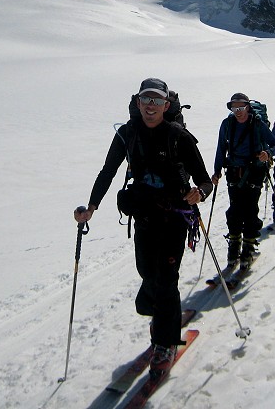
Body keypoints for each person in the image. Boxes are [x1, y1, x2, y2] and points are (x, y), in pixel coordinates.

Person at [74, 77, 213, 374]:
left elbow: (204, 177)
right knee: (147, 272)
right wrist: (92, 206)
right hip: (144, 216)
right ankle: (161, 313)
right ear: (138, 103)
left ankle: (164, 342)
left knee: (166, 278)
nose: (151, 106)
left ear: (166, 104)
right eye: (146, 100)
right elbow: (108, 171)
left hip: (175, 217)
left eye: (157, 100)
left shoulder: (178, 135)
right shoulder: (127, 134)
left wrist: (199, 192)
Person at [212, 93, 275, 266]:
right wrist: (216, 171)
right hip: (234, 171)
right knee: (235, 209)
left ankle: (248, 248)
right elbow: (221, 148)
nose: (238, 111)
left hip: (255, 170)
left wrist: (268, 154)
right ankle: (235, 246)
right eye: (234, 108)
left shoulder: (258, 124)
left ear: (248, 107)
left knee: (250, 209)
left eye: (241, 107)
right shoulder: (227, 124)